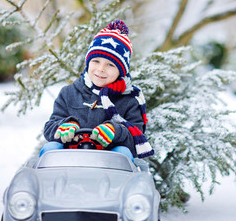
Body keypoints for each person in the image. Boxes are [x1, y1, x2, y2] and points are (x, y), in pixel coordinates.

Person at [40, 20, 154, 161]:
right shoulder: (68, 93)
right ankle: (50, 180)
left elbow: (134, 141)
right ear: (88, 62)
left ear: (121, 71)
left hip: (108, 163)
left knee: (123, 153)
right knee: (50, 149)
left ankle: (119, 181)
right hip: (70, 158)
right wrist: (64, 126)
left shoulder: (129, 100)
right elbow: (49, 127)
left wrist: (115, 131)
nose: (101, 69)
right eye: (96, 61)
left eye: (110, 65)